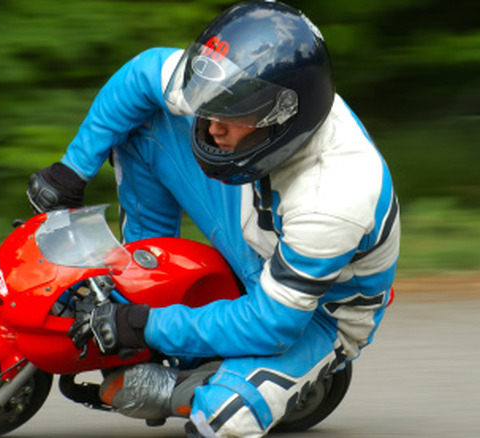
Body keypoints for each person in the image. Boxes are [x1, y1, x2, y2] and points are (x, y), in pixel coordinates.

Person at [27, 2, 400, 437]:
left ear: (282, 117)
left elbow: (271, 325)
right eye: (211, 103)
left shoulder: (334, 198)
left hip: (317, 311)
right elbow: (143, 73)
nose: (210, 126)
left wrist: (143, 326)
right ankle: (142, 279)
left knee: (223, 420)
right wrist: (73, 169)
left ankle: (185, 379)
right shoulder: (239, 86)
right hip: (258, 220)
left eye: (233, 113)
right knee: (143, 123)